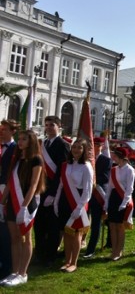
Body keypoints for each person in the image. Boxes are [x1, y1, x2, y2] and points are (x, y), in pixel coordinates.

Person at [0, 130, 45, 287]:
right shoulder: (17, 159)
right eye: (19, 139)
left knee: (26, 238)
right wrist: (2, 202)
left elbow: (33, 185)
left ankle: (23, 273)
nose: (20, 142)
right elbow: (9, 182)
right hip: (12, 202)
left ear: (31, 141)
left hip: (27, 202)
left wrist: (24, 207)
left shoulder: (36, 160)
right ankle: (14, 271)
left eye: (24, 139)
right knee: (14, 238)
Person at [34, 115, 70, 265]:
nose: (48, 128)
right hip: (40, 190)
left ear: (59, 126)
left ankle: (50, 256)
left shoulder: (63, 145)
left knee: (53, 226)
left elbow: (62, 171)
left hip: (54, 192)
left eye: (52, 125)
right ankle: (40, 252)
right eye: (46, 125)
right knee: (39, 224)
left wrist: (54, 193)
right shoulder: (43, 144)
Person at [54, 139, 93, 273]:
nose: (76, 150)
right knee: (66, 232)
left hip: (78, 201)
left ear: (84, 150)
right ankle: (67, 261)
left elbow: (88, 190)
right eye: (74, 147)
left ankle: (74, 263)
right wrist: (56, 201)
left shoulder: (87, 166)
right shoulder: (66, 165)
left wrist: (79, 207)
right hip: (65, 200)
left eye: (79, 148)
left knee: (76, 233)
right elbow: (61, 185)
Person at [84, 138, 112, 258]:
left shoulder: (106, 160)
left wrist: (92, 181)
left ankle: (91, 249)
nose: (95, 147)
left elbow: (105, 177)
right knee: (83, 221)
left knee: (96, 222)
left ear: (102, 146)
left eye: (97, 145)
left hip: (98, 193)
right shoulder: (86, 159)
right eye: (93, 144)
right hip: (86, 193)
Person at [104, 147, 134, 261]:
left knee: (120, 226)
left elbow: (129, 188)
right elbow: (110, 187)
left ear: (121, 157)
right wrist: (106, 202)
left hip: (123, 199)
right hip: (113, 198)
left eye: (115, 156)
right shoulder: (114, 169)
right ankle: (114, 250)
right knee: (112, 225)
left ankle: (119, 250)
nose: (113, 158)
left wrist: (125, 202)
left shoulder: (130, 170)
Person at [0, 119, 18, 279]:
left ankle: (7, 265)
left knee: (5, 231)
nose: (1, 131)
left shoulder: (15, 149)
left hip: (6, 191)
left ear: (13, 131)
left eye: (5, 129)